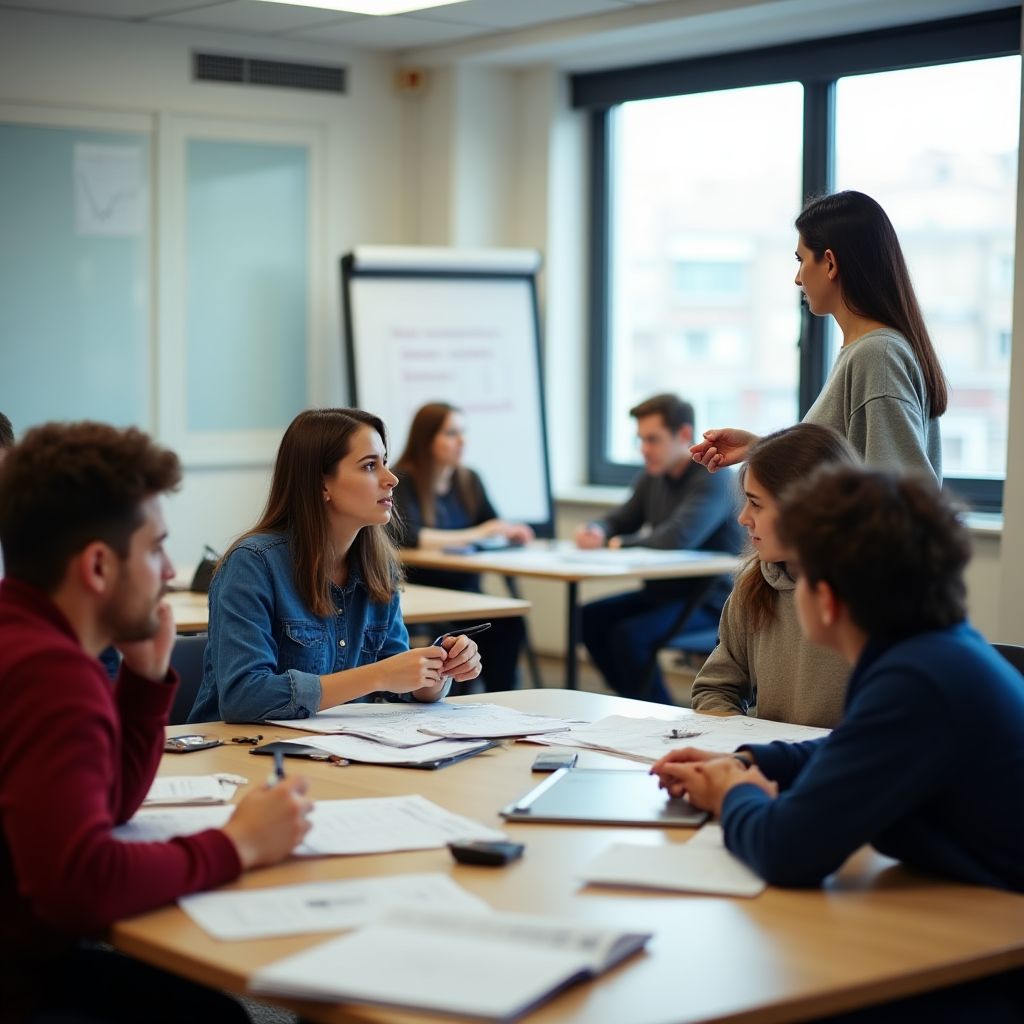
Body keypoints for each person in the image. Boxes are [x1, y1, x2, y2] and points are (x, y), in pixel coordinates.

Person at [0, 421, 313, 1024]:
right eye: (154, 547)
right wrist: (237, 843)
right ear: (97, 567)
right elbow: (80, 883)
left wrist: (144, 685)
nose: (170, 569)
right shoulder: (51, 674)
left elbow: (103, 810)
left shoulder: (31, 639)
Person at [652, 465, 1024, 897]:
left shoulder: (917, 681)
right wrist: (750, 762)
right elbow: (851, 748)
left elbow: (787, 852)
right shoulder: (936, 651)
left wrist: (731, 793)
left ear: (825, 600)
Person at [189, 407, 482, 724]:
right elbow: (243, 697)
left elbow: (396, 676)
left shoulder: (379, 567)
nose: (391, 478)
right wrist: (378, 676)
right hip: (241, 756)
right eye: (370, 466)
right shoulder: (253, 564)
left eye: (384, 462)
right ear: (322, 484)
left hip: (335, 752)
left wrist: (434, 674)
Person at [691, 191, 946, 481]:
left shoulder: (877, 354)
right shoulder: (867, 352)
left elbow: (903, 498)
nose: (798, 278)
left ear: (829, 263)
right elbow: (839, 470)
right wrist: (759, 448)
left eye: (801, 260)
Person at [577, 394, 744, 704]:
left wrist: (615, 543)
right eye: (640, 439)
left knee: (629, 636)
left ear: (683, 435)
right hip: (662, 595)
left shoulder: (714, 477)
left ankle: (660, 713)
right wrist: (597, 529)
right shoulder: (652, 476)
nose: (644, 449)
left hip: (710, 602)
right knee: (588, 618)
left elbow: (676, 538)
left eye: (652, 439)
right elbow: (621, 518)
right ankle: (631, 700)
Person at [690, 424, 856, 727]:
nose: (742, 518)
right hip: (775, 765)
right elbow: (715, 688)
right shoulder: (755, 585)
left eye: (755, 504)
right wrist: (743, 746)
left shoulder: (874, 597)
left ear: (804, 511)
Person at [392, 402, 532, 693]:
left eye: (463, 432)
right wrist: (475, 533)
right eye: (451, 433)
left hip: (469, 591)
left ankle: (501, 699)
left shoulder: (469, 479)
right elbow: (409, 536)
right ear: (427, 439)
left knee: (510, 623)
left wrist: (510, 531)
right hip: (429, 590)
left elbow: (492, 523)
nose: (462, 441)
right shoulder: (403, 479)